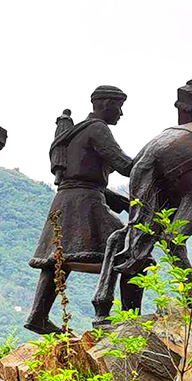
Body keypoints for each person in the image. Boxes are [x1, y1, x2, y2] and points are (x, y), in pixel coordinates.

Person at [25, 85, 135, 335]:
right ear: (105, 104)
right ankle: (129, 316)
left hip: (65, 200)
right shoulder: (97, 129)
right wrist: (155, 162)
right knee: (132, 249)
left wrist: (119, 200)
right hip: (85, 203)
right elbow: (125, 165)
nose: (121, 113)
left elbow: (82, 174)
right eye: (119, 107)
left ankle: (38, 315)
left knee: (56, 259)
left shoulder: (74, 132)